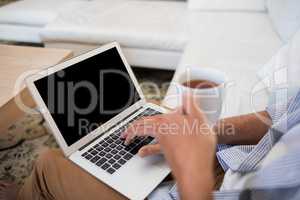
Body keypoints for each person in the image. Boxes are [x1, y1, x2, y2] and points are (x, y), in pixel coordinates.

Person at [3, 84, 300, 200]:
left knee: (46, 165)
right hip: (236, 160)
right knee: (154, 117)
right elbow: (276, 117)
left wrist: (191, 173)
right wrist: (205, 133)